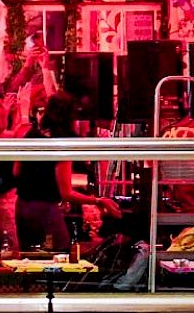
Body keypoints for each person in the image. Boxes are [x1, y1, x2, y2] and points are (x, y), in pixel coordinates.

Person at [15, 92, 123, 253]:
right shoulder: (63, 142)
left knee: (29, 257)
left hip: (22, 208)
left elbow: (16, 170)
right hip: (45, 211)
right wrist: (98, 200)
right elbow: (66, 193)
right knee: (59, 255)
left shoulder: (32, 134)